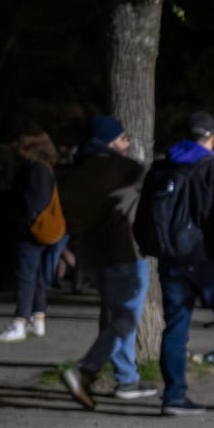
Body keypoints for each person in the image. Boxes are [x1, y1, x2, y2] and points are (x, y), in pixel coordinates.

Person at [138, 111, 214, 415]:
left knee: (176, 326)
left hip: (172, 260)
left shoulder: (161, 167)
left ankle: (174, 396)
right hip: (212, 259)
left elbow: (144, 215)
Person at [55, 115, 156, 405]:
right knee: (126, 318)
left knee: (119, 317)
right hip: (125, 253)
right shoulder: (125, 170)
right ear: (111, 142)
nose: (126, 144)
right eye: (123, 138)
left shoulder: (73, 175)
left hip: (91, 255)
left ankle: (127, 377)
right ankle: (88, 369)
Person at [0, 126, 67, 342]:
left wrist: (24, 218)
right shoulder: (46, 168)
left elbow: (33, 202)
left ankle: (19, 322)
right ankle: (38, 318)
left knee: (25, 276)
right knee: (36, 276)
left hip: (30, 231)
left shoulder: (35, 169)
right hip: (44, 230)